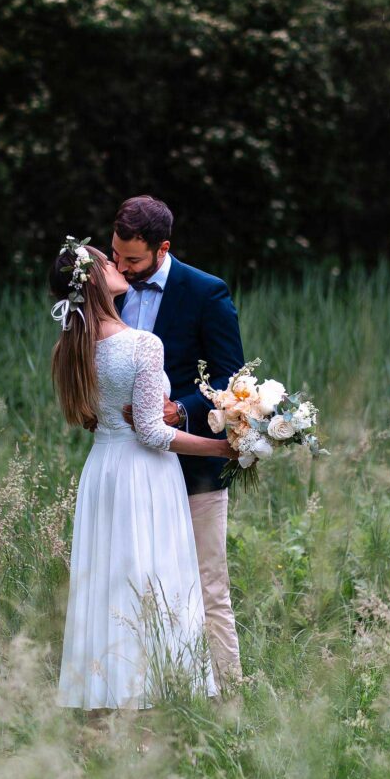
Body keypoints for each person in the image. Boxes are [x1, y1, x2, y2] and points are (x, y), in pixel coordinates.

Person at [50, 238, 234, 711]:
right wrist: (224, 448)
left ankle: (106, 699)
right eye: (109, 262)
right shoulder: (141, 344)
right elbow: (152, 433)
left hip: (102, 472)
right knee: (155, 579)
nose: (117, 266)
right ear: (95, 282)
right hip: (143, 474)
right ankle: (155, 699)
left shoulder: (72, 347)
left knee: (108, 582)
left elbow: (96, 414)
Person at [112, 195, 245, 688]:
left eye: (134, 260)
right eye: (117, 255)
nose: (122, 268)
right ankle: (147, 692)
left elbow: (234, 382)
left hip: (193, 470)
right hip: (128, 466)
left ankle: (229, 699)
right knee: (133, 585)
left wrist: (182, 409)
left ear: (162, 248)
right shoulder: (107, 286)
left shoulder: (206, 293)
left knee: (208, 584)